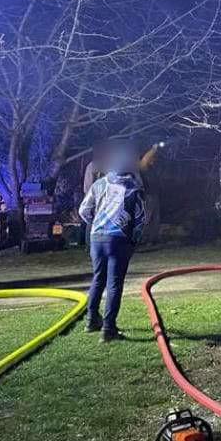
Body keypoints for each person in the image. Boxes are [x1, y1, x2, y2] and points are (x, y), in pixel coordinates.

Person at [78, 143, 147, 343]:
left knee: (98, 278)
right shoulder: (134, 189)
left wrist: (96, 224)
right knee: (114, 283)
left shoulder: (99, 184)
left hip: (97, 238)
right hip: (119, 240)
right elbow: (141, 219)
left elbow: (84, 210)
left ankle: (91, 321)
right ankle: (108, 330)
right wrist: (134, 240)